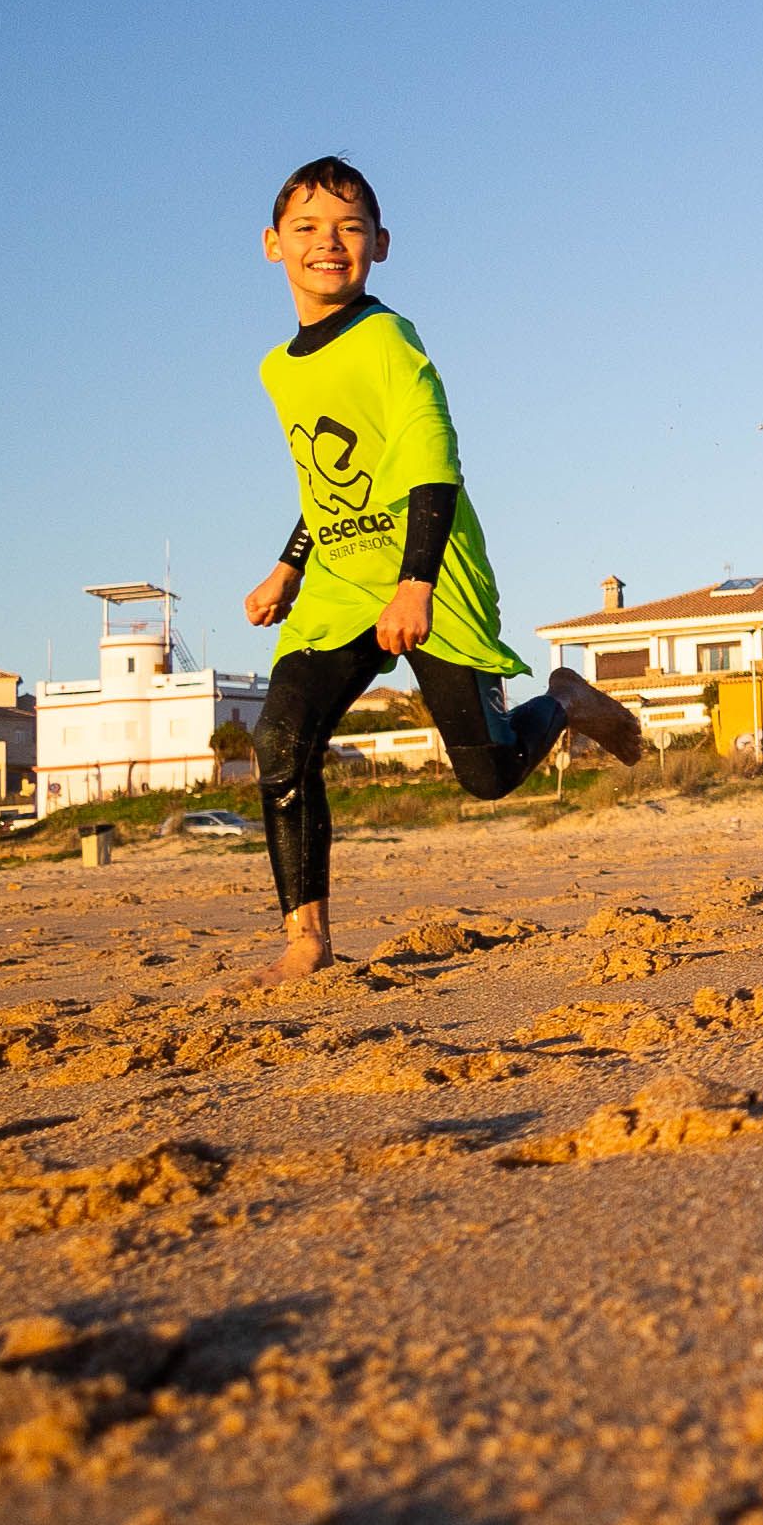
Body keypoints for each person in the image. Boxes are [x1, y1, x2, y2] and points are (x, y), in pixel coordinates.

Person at [239, 157, 647, 980]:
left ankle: (563, 702)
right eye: (310, 228)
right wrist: (290, 566)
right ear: (272, 245)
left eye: (350, 228)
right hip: (340, 579)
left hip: (433, 568)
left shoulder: (387, 339)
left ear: (380, 245)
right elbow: (330, 481)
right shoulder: (278, 368)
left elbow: (432, 460)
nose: (330, 243)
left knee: (488, 775)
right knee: (282, 739)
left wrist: (416, 581)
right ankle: (306, 941)